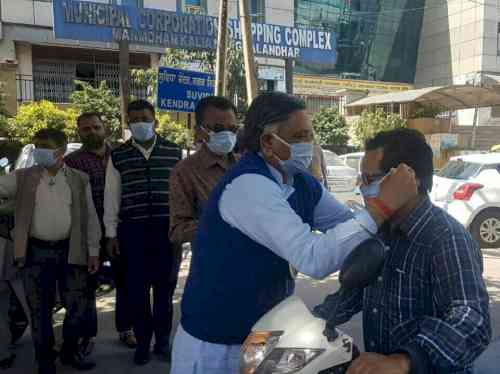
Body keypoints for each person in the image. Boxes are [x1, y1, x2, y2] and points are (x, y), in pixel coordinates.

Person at [170, 92, 418, 374]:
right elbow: (312, 258)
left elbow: (344, 224)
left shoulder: (299, 182)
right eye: (299, 137)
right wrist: (381, 206)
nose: (308, 146)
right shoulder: (248, 186)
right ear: (268, 142)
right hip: (214, 345)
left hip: (265, 336)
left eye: (310, 136)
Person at [313, 128, 491, 374]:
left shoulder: (445, 238)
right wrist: (312, 322)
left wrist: (404, 361)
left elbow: (473, 320)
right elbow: (353, 292)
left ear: (409, 177)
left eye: (370, 179)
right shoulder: (382, 230)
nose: (362, 188)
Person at [0, 129, 101, 374]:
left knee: (76, 306)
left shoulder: (79, 179)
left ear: (61, 150)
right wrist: (9, 213)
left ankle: (69, 352)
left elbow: (90, 217)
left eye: (44, 145)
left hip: (71, 251)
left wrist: (94, 250)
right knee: (39, 311)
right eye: (36, 145)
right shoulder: (22, 177)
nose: (39, 150)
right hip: (35, 253)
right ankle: (44, 360)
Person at [104, 100, 182, 366]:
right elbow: (111, 198)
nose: (139, 123)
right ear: (128, 124)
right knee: (136, 293)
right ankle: (143, 344)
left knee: (164, 292)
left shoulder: (174, 152)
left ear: (155, 121)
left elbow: (183, 195)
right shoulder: (118, 155)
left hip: (166, 233)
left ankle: (162, 342)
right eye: (134, 119)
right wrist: (111, 234)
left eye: (144, 118)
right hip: (132, 234)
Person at [65, 113, 137, 354]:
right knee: (86, 287)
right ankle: (88, 336)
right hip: (88, 234)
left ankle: (126, 328)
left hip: (119, 230)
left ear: (105, 128)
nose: (92, 132)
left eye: (96, 127)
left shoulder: (122, 154)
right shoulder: (72, 162)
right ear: (79, 132)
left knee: (125, 283)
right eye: (86, 129)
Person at [169, 96, 239, 246]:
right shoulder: (184, 171)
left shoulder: (246, 165)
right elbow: (177, 230)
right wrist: (220, 223)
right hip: (212, 261)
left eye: (232, 129)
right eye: (218, 128)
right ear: (199, 131)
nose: (227, 134)